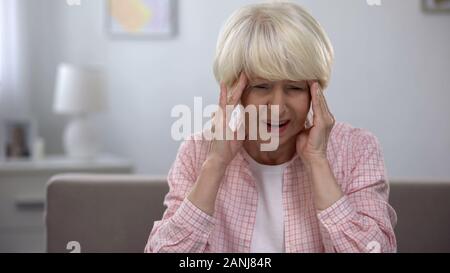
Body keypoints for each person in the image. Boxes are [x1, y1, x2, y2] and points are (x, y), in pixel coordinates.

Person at [145, 1, 397, 253]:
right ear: (235, 90)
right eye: (261, 86)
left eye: (295, 88)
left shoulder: (357, 149)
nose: (277, 106)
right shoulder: (197, 151)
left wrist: (318, 161)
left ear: (316, 91)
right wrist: (216, 164)